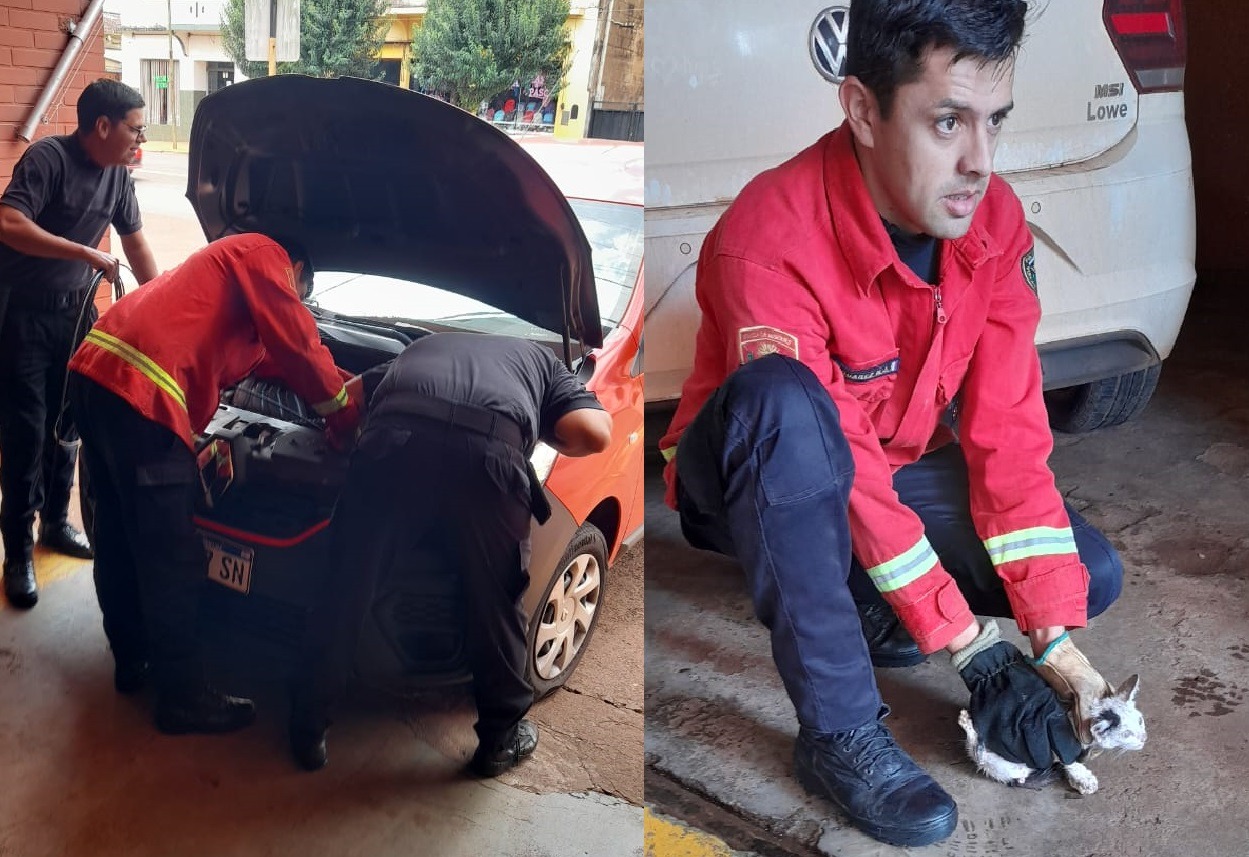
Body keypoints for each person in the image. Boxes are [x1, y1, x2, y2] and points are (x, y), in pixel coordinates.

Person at [657, 0, 1124, 848]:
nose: (978, 162)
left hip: (887, 457)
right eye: (947, 121)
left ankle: (863, 594)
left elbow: (1009, 431)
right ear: (862, 110)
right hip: (754, 469)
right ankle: (836, 733)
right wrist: (967, 642)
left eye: (993, 122)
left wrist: (1050, 637)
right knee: (783, 403)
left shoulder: (991, 218)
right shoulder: (768, 238)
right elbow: (850, 477)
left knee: (1085, 574)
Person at [66, 232, 362, 735]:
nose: (297, 300)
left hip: (95, 376)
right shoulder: (263, 253)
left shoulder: (222, 288)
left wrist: (355, 381)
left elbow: (288, 360)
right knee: (173, 556)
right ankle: (182, 697)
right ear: (295, 268)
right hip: (145, 395)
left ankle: (132, 661)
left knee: (117, 533)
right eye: (300, 292)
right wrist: (345, 418)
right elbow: (296, 337)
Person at [289, 332, 613, 776]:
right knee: (497, 603)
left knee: (344, 587)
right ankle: (500, 741)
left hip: (393, 445)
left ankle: (307, 727)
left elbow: (348, 396)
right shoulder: (544, 363)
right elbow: (595, 434)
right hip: (488, 459)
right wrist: (533, 430)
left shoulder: (422, 348)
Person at [0, 78, 159, 610]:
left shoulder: (118, 176)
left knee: (69, 425)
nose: (141, 139)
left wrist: (159, 308)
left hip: (73, 316)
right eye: (135, 129)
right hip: (21, 314)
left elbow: (135, 242)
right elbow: (7, 221)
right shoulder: (48, 159)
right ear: (103, 126)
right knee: (26, 432)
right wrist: (85, 254)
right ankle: (18, 554)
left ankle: (54, 527)